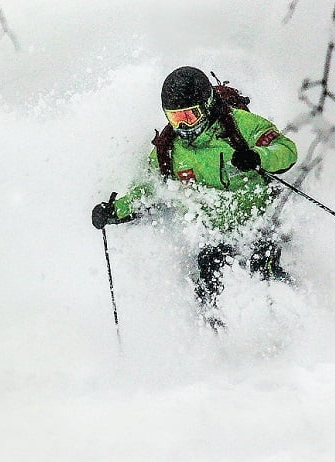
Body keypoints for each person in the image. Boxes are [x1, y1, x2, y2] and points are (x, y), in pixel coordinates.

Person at [92, 66, 299, 329]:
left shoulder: (240, 126)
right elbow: (149, 189)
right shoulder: (168, 150)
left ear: (208, 105)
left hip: (259, 221)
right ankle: (217, 345)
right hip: (214, 234)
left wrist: (259, 157)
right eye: (176, 118)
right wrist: (114, 211)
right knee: (208, 281)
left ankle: (289, 325)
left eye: (190, 116)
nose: (184, 126)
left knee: (264, 268)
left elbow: (286, 149)